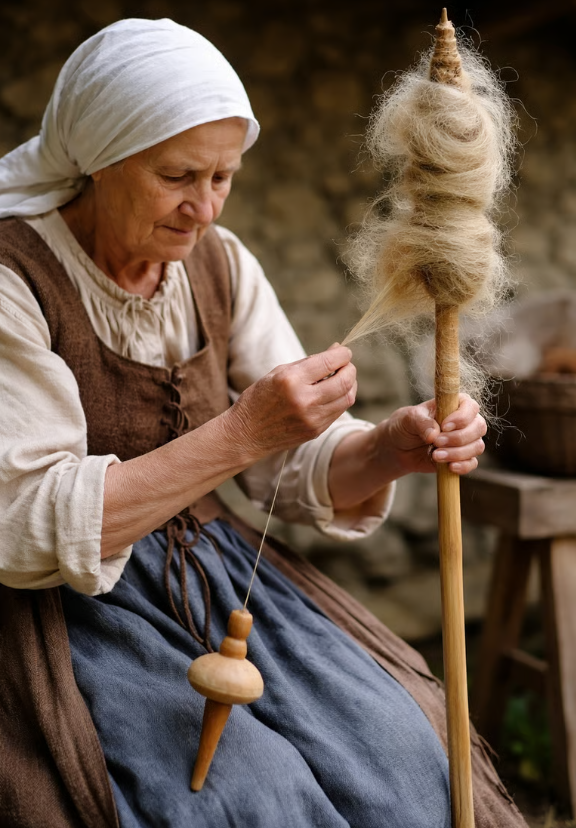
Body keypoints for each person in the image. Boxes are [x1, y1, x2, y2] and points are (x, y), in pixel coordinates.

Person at [0, 17, 526, 828]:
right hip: (69, 608)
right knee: (247, 797)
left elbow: (290, 466)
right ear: (96, 158)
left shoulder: (219, 263)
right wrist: (247, 430)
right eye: (178, 174)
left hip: (215, 579)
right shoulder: (17, 282)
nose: (203, 209)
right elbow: (28, 526)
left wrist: (387, 448)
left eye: (224, 177)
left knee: (394, 748)